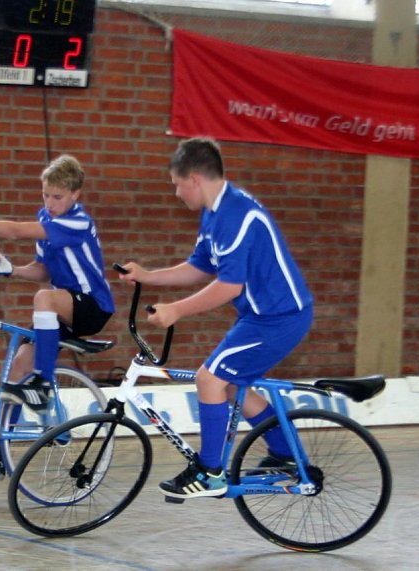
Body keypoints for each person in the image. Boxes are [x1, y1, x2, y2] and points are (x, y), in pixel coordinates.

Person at [118, 137, 313, 500]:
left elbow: (229, 286)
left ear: (193, 178)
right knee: (233, 385)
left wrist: (176, 310)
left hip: (278, 317)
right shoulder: (215, 212)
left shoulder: (235, 214)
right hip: (263, 316)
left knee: (209, 378)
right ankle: (286, 456)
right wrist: (148, 276)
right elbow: (199, 268)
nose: (177, 193)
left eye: (177, 184)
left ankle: (210, 472)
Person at [0, 154, 115, 480]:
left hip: (92, 306)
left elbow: (13, 230)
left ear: (76, 195)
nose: (50, 203)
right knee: (19, 363)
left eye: (58, 197)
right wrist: (12, 269)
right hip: (62, 306)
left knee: (43, 298)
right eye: (46, 195)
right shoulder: (48, 219)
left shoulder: (78, 221)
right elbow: (43, 270)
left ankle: (43, 383)